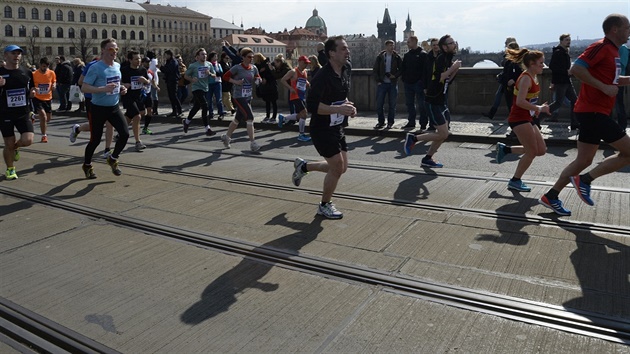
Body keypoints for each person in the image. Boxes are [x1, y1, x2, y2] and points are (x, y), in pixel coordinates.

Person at [539, 14, 630, 216]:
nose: (629, 31)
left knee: (583, 161)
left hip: (594, 111)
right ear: (615, 29)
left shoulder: (614, 51)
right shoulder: (601, 46)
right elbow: (576, 68)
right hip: (593, 111)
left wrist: (618, 82)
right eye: (627, 27)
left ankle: (551, 196)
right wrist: (604, 88)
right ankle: (585, 180)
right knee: (629, 152)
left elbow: (613, 79)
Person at [291, 36, 356, 219]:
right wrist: (338, 108)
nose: (347, 51)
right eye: (343, 49)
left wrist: (348, 106)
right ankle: (324, 205)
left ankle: (304, 167)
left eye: (347, 48)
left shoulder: (346, 69)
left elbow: (340, 96)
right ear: (332, 53)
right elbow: (312, 106)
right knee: (337, 166)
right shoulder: (322, 76)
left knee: (341, 168)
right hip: (321, 128)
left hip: (337, 126)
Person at [495, 49, 550, 192]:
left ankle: (506, 149)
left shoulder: (533, 76)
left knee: (541, 150)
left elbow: (528, 99)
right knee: (531, 152)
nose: (543, 66)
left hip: (527, 117)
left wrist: (536, 109)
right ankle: (515, 180)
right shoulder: (526, 78)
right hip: (518, 118)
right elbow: (519, 102)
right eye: (541, 63)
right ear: (531, 64)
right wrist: (538, 108)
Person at [404, 34, 462, 168]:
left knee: (443, 134)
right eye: (451, 43)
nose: (454, 44)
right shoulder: (441, 58)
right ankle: (413, 138)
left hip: (441, 101)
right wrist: (453, 68)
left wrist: (455, 69)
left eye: (454, 42)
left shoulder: (448, 58)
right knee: (443, 133)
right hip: (433, 101)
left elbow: (447, 80)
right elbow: (437, 78)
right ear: (445, 47)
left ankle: (428, 158)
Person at [80, 38, 130, 179]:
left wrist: (121, 89)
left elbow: (116, 83)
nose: (114, 52)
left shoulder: (117, 66)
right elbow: (84, 87)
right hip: (98, 108)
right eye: (110, 49)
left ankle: (113, 158)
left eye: (116, 49)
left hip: (113, 107)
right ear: (102, 50)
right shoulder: (96, 67)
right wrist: (102, 89)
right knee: (95, 140)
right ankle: (87, 165)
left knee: (125, 134)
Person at [0, 45, 35, 180]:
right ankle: (10, 169)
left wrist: (32, 92)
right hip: (5, 113)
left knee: (28, 140)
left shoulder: (26, 72)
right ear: (6, 56)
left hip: (22, 113)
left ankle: (16, 147)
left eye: (19, 54)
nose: (17, 56)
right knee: (8, 143)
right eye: (13, 53)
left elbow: (31, 87)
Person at [221, 47, 262, 152]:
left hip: (248, 97)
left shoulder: (253, 68)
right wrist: (236, 82)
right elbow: (225, 77)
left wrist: (258, 80)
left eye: (252, 57)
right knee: (250, 117)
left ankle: (227, 137)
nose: (251, 59)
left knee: (237, 119)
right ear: (243, 57)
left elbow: (257, 76)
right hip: (239, 96)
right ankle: (253, 143)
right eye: (249, 57)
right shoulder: (237, 68)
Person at [121, 50, 150, 151]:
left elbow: (148, 82)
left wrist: (145, 81)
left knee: (132, 115)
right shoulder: (124, 70)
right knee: (137, 116)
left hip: (138, 96)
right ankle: (138, 142)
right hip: (128, 97)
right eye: (136, 59)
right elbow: (118, 82)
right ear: (130, 60)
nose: (138, 60)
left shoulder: (142, 70)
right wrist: (124, 85)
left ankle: (121, 132)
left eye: (139, 58)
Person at [548, 34, 579, 130]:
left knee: (574, 101)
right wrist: (565, 71)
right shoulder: (558, 52)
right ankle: (538, 116)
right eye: (566, 40)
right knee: (558, 102)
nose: (568, 42)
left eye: (569, 40)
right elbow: (552, 67)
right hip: (561, 81)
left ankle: (575, 123)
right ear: (561, 41)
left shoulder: (564, 52)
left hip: (566, 81)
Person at [182, 48, 216, 137]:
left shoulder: (209, 64)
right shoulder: (193, 65)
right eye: (202, 54)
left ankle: (186, 122)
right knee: (205, 105)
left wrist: (209, 74)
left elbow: (214, 75)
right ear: (197, 56)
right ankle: (207, 128)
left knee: (197, 106)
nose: (204, 56)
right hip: (196, 88)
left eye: (205, 54)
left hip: (205, 88)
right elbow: (185, 76)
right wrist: (192, 79)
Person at [483, 37, 518, 120]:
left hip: (510, 82)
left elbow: (514, 69)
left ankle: (514, 120)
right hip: (506, 80)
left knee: (510, 102)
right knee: (500, 96)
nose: (505, 44)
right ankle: (492, 113)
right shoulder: (509, 55)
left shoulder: (515, 57)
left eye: (506, 43)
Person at [278, 55, 312, 141]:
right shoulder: (293, 71)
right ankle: (301, 134)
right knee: (304, 114)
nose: (306, 65)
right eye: (305, 63)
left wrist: (307, 83)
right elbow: (283, 80)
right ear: (300, 62)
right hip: (295, 95)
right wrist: (290, 88)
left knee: (300, 115)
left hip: (302, 95)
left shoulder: (305, 71)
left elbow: (303, 80)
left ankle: (284, 118)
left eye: (307, 63)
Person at [373, 39, 402, 129]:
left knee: (392, 105)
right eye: (390, 45)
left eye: (393, 45)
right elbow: (375, 70)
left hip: (392, 83)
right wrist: (378, 80)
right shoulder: (380, 57)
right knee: (379, 104)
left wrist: (395, 76)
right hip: (382, 83)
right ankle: (381, 122)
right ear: (386, 47)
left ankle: (390, 122)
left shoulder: (397, 57)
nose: (392, 47)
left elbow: (401, 69)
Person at [400, 35, 428, 129]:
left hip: (418, 83)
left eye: (408, 42)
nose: (407, 44)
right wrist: (404, 78)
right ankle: (411, 122)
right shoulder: (407, 55)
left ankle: (423, 123)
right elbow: (403, 68)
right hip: (408, 83)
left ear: (414, 42)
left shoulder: (422, 54)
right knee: (409, 104)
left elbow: (425, 70)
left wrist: (422, 83)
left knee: (421, 104)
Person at [32, 57, 56, 143]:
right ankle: (44, 136)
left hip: (48, 97)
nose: (44, 68)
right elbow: (31, 85)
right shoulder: (34, 74)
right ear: (40, 65)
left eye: (46, 66)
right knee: (43, 116)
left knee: (48, 118)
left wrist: (54, 85)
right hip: (38, 98)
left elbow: (54, 81)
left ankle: (33, 116)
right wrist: (34, 89)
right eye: (43, 66)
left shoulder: (51, 73)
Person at [253, 53, 278, 124]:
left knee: (273, 102)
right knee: (267, 101)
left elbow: (272, 74)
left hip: (271, 85)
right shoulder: (257, 66)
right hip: (265, 86)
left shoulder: (267, 64)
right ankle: (267, 116)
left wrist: (266, 78)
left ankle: (273, 117)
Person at [160, 50, 182, 118]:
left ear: (169, 55)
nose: (165, 57)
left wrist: (160, 67)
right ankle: (174, 111)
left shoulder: (173, 62)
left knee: (174, 96)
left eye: (166, 55)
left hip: (173, 81)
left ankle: (179, 110)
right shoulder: (169, 61)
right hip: (169, 80)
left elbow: (168, 70)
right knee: (171, 96)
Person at [141, 56, 158, 135]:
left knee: (150, 111)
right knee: (140, 113)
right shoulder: (140, 71)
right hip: (141, 94)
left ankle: (145, 128)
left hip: (148, 93)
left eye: (149, 62)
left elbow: (152, 80)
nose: (148, 64)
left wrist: (156, 87)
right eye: (146, 62)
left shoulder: (150, 72)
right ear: (143, 63)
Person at [207, 51, 225, 120]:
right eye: (215, 56)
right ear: (211, 57)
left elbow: (221, 73)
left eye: (216, 57)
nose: (216, 58)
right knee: (209, 99)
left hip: (217, 83)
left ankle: (221, 113)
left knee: (219, 99)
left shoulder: (218, 65)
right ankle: (211, 113)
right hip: (209, 83)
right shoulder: (207, 64)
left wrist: (213, 73)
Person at [614, 43, 629, 130]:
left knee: (619, 103)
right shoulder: (620, 47)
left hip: (619, 79)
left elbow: (622, 64)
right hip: (616, 78)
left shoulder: (622, 48)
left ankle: (622, 125)